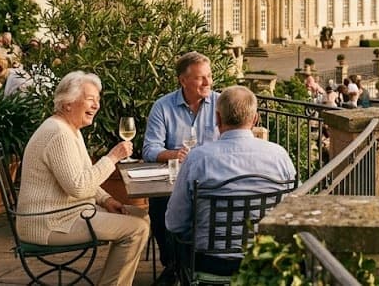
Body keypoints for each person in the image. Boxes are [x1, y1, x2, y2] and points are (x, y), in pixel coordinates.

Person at [17, 71, 149, 285]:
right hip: (49, 223)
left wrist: (106, 200)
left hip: (68, 214)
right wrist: (112, 157)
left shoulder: (71, 130)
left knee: (140, 216)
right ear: (68, 103)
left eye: (98, 100)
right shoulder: (58, 133)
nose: (96, 105)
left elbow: (83, 175)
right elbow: (79, 187)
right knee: (136, 229)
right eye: (90, 99)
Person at [166, 86, 296, 276]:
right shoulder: (279, 156)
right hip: (266, 260)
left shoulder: (197, 159)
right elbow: (293, 209)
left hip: (211, 263)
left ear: (217, 118)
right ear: (255, 119)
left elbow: (174, 223)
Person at [143, 51, 221, 281]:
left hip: (211, 180)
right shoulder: (163, 107)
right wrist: (175, 154)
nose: (207, 82)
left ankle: (197, 262)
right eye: (200, 78)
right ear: (183, 80)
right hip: (175, 181)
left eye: (209, 76)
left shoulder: (220, 103)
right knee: (160, 205)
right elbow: (149, 150)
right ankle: (174, 265)